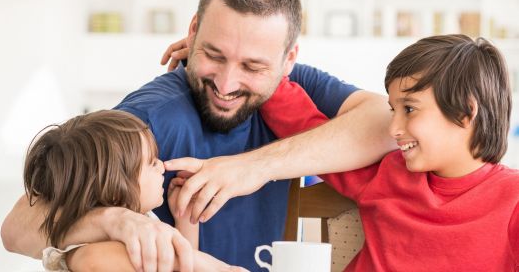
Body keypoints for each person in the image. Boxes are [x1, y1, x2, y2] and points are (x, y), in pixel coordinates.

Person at [1, 0, 396, 271]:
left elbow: (386, 124)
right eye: (214, 55)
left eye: (252, 66)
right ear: (193, 32)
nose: (226, 83)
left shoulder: (291, 85)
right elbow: (17, 229)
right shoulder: (150, 118)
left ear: (287, 60)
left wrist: (252, 168)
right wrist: (113, 219)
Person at [191, 34, 519, 270]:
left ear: (465, 111)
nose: (393, 129)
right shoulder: (388, 174)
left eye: (410, 109)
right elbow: (307, 129)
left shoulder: (513, 200)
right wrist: (230, 65)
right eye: (393, 110)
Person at [22, 110, 242, 271]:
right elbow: (93, 260)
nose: (161, 164)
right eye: (150, 162)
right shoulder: (95, 246)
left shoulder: (144, 223)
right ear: (115, 189)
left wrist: (184, 217)